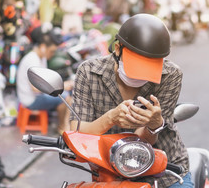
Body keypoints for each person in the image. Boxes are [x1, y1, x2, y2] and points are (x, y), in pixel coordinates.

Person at [70, 14, 193, 187]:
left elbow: (144, 139)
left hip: (165, 172)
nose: (141, 77)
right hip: (110, 172)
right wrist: (110, 118)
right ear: (118, 48)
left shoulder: (170, 75)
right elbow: (78, 132)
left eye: (150, 68)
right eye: (137, 66)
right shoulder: (89, 73)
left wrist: (153, 124)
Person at [16, 28, 72, 134]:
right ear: (42, 47)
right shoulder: (32, 60)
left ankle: (63, 127)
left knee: (65, 95)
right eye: (51, 51)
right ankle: (63, 128)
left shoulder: (40, 58)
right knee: (65, 98)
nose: (52, 54)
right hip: (30, 100)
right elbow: (36, 88)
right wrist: (62, 86)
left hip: (34, 96)